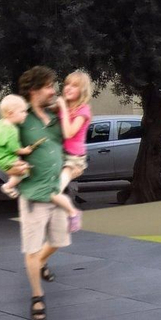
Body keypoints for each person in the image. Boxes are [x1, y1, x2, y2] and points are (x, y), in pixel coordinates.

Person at [13, 66, 71, 320]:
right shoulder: (21, 120)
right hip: (33, 194)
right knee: (32, 248)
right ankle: (37, 296)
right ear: (34, 89)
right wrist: (11, 165)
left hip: (56, 192)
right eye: (49, 86)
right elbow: (5, 148)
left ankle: (41, 263)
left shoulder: (56, 118)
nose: (54, 90)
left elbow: (71, 139)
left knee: (59, 241)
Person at [53, 70, 93, 232]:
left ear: (82, 91)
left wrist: (61, 106)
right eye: (67, 84)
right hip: (59, 156)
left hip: (73, 159)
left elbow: (69, 133)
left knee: (54, 190)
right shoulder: (64, 107)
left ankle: (72, 212)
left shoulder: (82, 111)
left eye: (74, 86)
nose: (68, 88)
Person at [0, 94, 37, 199]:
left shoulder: (1, 124)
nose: (25, 114)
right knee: (24, 170)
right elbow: (15, 149)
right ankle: (8, 186)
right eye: (22, 112)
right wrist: (26, 150)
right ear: (10, 113)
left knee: (20, 166)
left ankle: (12, 182)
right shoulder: (11, 130)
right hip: (5, 157)